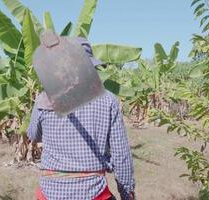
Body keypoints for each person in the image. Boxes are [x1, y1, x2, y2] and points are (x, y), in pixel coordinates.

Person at [27, 37, 135, 200]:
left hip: (50, 192)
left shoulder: (45, 98)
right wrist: (127, 194)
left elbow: (33, 135)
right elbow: (121, 155)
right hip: (93, 191)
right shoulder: (108, 100)